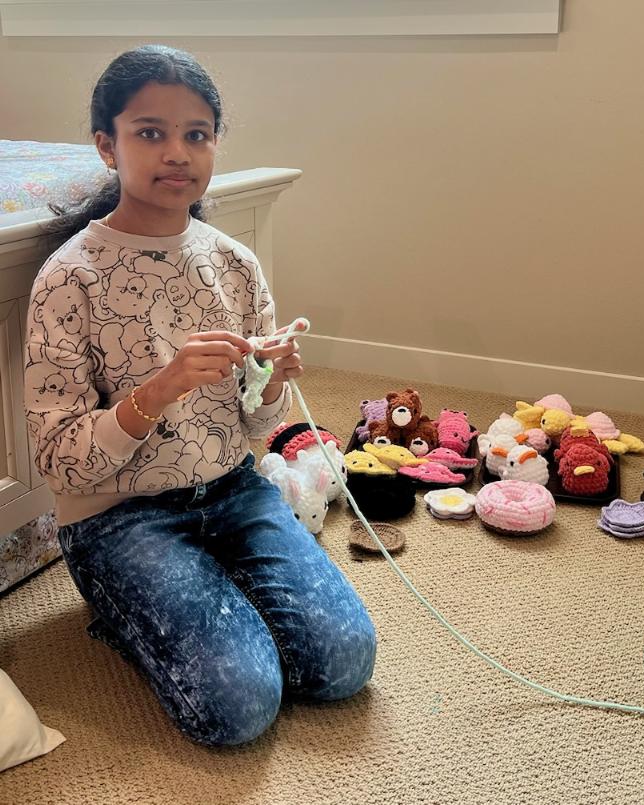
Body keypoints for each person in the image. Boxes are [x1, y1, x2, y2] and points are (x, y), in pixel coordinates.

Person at [24, 44, 376, 747]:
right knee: (238, 707)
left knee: (345, 662)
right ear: (107, 145)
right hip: (120, 518)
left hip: (233, 492)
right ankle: (122, 609)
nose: (176, 152)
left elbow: (257, 421)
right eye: (150, 132)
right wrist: (157, 389)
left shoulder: (234, 263)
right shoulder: (68, 280)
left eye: (197, 134)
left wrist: (272, 380)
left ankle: (209, 596)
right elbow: (61, 461)